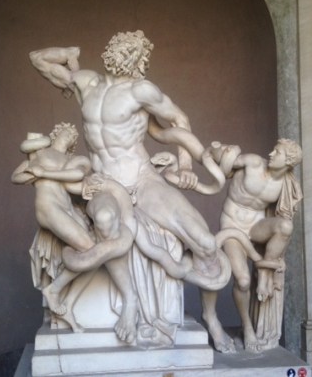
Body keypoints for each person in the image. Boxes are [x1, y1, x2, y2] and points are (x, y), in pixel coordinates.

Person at [29, 30, 229, 285]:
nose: (123, 52)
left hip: (143, 180)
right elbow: (38, 59)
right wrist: (68, 54)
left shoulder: (141, 91)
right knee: (104, 223)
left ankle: (199, 289)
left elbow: (179, 119)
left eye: (131, 49)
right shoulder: (86, 83)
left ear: (139, 59)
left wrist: (186, 165)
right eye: (120, 46)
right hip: (105, 183)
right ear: (110, 49)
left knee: (206, 243)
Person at [11, 123, 137, 340]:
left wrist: (44, 173)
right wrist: (34, 174)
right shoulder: (39, 154)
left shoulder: (74, 160)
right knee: (90, 249)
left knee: (92, 252)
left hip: (67, 208)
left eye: (73, 135)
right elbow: (16, 177)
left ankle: (66, 304)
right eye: (66, 131)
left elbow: (76, 175)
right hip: (48, 207)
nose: (70, 134)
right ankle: (54, 290)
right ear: (55, 133)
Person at [201, 139, 302, 353]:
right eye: (273, 150)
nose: (271, 154)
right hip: (232, 226)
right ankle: (247, 326)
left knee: (285, 226)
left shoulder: (285, 185)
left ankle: (265, 271)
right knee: (243, 281)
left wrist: (277, 260)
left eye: (278, 152)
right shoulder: (253, 162)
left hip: (256, 227)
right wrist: (220, 150)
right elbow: (223, 162)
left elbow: (283, 218)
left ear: (289, 161)